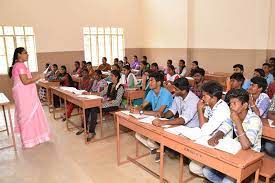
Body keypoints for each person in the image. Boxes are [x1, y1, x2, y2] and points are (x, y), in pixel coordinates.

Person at [202, 88, 262, 183]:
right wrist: (216, 136)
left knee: (227, 181)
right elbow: (224, 128)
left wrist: (237, 121)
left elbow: (246, 146)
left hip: (250, 156)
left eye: (234, 103)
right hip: (235, 151)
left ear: (245, 105)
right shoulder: (233, 115)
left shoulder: (254, 120)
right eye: (230, 103)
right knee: (206, 171)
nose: (231, 106)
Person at [9, 47, 51, 148]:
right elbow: (25, 81)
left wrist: (36, 78)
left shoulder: (17, 65)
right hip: (24, 95)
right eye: (25, 53)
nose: (27, 54)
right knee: (27, 115)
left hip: (23, 93)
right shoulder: (20, 65)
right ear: (19, 55)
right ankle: (28, 140)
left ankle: (35, 137)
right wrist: (39, 76)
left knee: (30, 114)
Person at [189, 81, 231, 177]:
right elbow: (205, 123)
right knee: (193, 166)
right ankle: (210, 172)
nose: (202, 98)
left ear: (214, 98)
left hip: (220, 143)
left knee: (197, 167)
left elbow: (204, 129)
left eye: (205, 96)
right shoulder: (209, 105)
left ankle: (216, 174)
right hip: (208, 138)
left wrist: (199, 109)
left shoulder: (222, 109)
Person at [131, 71, 173, 162]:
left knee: (150, 140)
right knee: (138, 134)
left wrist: (141, 112)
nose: (149, 83)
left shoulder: (165, 93)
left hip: (166, 121)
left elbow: (159, 113)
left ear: (159, 82)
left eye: (151, 81)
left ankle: (161, 148)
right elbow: (143, 105)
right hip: (154, 119)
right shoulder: (151, 92)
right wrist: (136, 108)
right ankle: (158, 148)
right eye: (149, 80)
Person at [76, 70, 124, 141]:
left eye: (112, 76)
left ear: (116, 77)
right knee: (88, 107)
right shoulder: (110, 85)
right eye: (110, 75)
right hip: (107, 103)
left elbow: (118, 101)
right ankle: (84, 127)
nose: (110, 77)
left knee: (94, 109)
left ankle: (91, 132)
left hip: (114, 105)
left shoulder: (120, 87)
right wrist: (89, 94)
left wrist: (105, 102)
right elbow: (101, 93)